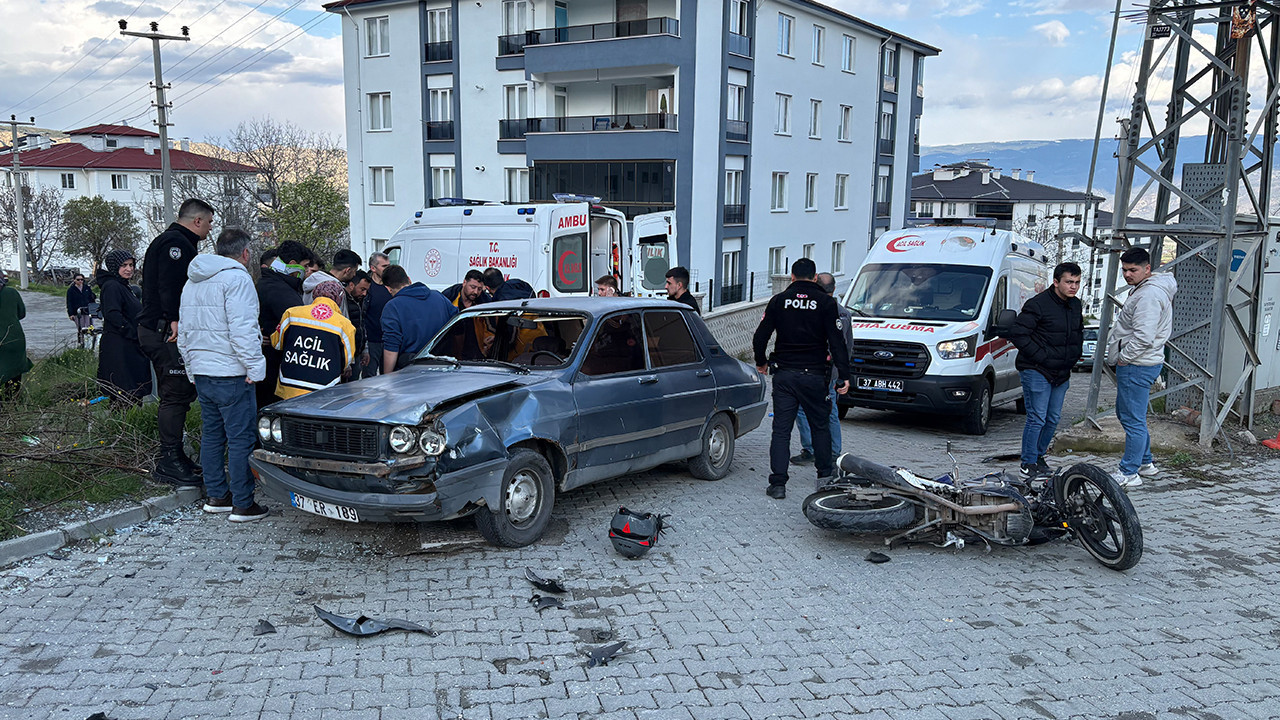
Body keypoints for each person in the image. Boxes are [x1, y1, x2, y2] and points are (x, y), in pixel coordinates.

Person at [177, 228, 269, 522]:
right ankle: (243, 503)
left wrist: (191, 367)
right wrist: (255, 368)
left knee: (212, 436)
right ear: (245, 253)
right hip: (232, 372)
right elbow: (243, 330)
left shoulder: (192, 282)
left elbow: (184, 332)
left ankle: (217, 496)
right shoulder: (238, 279)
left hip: (203, 371)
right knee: (241, 438)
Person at [752, 258, 851, 499]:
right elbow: (838, 343)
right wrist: (843, 377)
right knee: (820, 426)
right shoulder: (826, 303)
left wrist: (761, 362)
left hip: (784, 375)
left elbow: (760, 336)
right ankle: (824, 478)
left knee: (781, 431)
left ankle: (777, 484)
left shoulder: (778, 301)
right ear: (815, 277)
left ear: (792, 277)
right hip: (815, 376)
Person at [137, 198, 214, 488]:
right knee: (175, 394)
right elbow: (170, 284)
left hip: (160, 328)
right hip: (163, 330)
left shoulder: (176, 241)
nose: (209, 228)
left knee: (180, 394)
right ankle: (168, 460)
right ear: (197, 221)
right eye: (208, 222)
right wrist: (173, 319)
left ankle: (176, 455)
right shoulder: (176, 245)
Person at [1004, 262, 1084, 479]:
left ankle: (1038, 456)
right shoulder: (1037, 304)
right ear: (1056, 282)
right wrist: (1042, 357)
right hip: (1036, 370)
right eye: (1069, 282)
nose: (1073, 287)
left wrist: (1073, 357)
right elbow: (1018, 334)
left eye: (1077, 282)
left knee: (1053, 418)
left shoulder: (1075, 305)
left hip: (1062, 372)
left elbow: (1078, 334)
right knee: (1037, 418)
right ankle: (1028, 463)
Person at [1106, 247, 1178, 488]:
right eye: (1124, 270)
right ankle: (1146, 463)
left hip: (1137, 364)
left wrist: (1124, 358)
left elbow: (1143, 336)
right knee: (1128, 414)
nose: (1127, 274)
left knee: (1133, 420)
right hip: (1143, 362)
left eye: (1133, 270)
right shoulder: (1149, 289)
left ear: (1147, 269)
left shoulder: (1148, 295)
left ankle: (1129, 472)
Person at [792, 272, 852, 465]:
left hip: (810, 369)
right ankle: (834, 452)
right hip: (832, 371)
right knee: (831, 410)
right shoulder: (844, 313)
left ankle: (810, 449)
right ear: (834, 289)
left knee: (802, 408)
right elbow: (847, 346)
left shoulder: (810, 309)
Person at [272, 280, 357, 398]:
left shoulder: (291, 313)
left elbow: (276, 343)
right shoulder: (345, 325)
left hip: (288, 387)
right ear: (339, 299)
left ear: (314, 295)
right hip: (324, 391)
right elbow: (346, 361)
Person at [256, 240, 309, 407]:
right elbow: (297, 322)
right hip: (274, 365)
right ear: (293, 264)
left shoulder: (278, 284)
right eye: (305, 266)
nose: (307, 272)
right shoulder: (277, 289)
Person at [95, 250, 152, 402]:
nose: (129, 269)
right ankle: (122, 424)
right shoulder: (112, 286)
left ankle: (129, 423)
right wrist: (132, 332)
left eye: (131, 265)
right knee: (123, 392)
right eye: (124, 265)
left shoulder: (124, 286)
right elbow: (113, 314)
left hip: (129, 344)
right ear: (114, 267)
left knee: (133, 391)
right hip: (119, 346)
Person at [381, 265, 457, 371]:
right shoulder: (439, 297)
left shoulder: (392, 307)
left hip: (410, 371)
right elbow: (458, 326)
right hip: (442, 367)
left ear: (388, 289)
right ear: (409, 279)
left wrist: (387, 377)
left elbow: (391, 347)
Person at [0, 272, 32, 401]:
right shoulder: (11, 293)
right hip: (14, 338)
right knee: (14, 371)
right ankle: (12, 401)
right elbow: (22, 313)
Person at [363, 252, 393, 378]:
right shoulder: (366, 287)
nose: (388, 269)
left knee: (389, 378)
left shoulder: (392, 285)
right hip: (372, 341)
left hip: (390, 340)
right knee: (369, 378)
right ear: (373, 268)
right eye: (384, 266)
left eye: (389, 265)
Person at [343, 270, 372, 379]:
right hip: (348, 357)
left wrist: (365, 349)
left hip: (357, 353)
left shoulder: (360, 301)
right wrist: (347, 361)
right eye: (362, 289)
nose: (364, 294)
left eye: (366, 291)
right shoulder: (343, 301)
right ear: (351, 285)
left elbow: (362, 326)